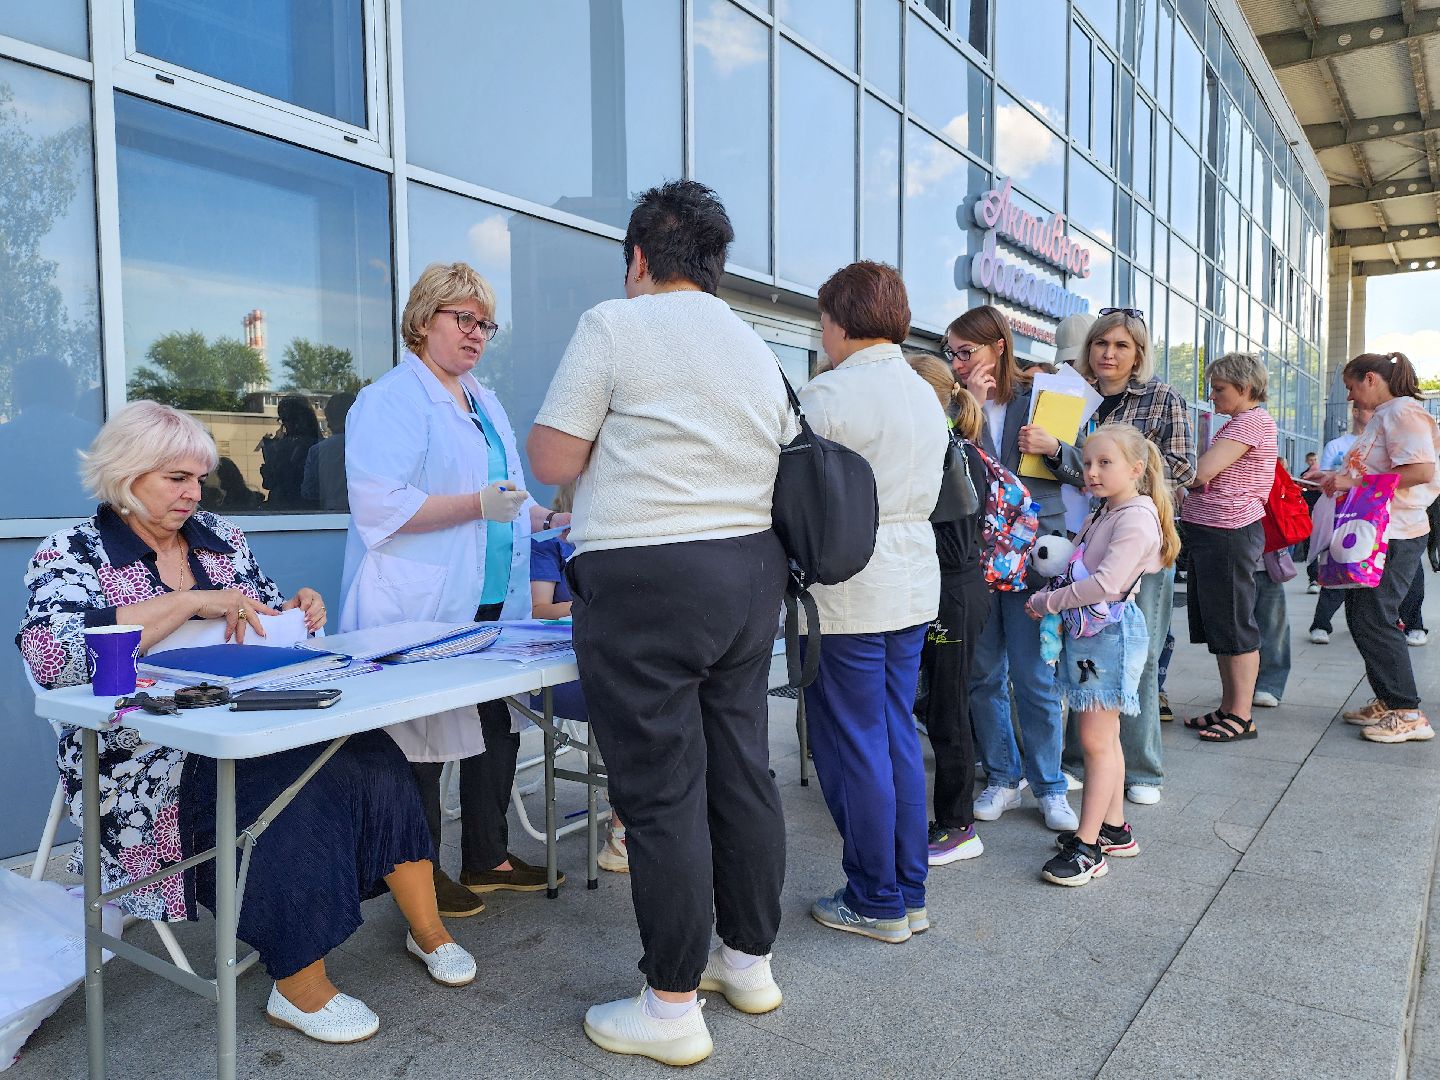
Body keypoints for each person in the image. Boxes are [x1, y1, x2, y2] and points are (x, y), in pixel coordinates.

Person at [16, 402, 474, 1045]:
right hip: (143, 751)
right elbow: (55, 657)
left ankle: (428, 929)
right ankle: (299, 983)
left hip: (249, 714)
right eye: (175, 478)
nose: (193, 493)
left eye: (198, 479)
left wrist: (295, 610)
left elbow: (257, 616)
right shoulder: (72, 551)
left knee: (370, 753)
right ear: (126, 474)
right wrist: (186, 602)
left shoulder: (220, 538)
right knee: (287, 793)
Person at [528, 180, 794, 1066]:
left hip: (647, 575)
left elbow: (553, 456)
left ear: (639, 257)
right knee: (741, 770)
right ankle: (746, 962)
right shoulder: (753, 345)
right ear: (714, 265)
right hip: (751, 574)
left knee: (661, 793)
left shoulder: (615, 323)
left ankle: (671, 1005)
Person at [340, 262, 571, 920]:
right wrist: (476, 503)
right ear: (422, 320)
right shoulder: (391, 399)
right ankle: (417, 873)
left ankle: (487, 855)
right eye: (462, 318)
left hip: (490, 604)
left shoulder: (483, 399)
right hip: (421, 608)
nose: (476, 334)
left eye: (484, 324)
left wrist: (551, 520)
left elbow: (506, 501)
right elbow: (380, 509)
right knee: (420, 746)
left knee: (495, 729)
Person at [799, 266, 946, 942]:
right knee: (892, 736)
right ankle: (907, 893)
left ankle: (875, 897)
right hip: (914, 580)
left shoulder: (828, 396)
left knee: (854, 743)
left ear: (839, 320)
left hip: (850, 587)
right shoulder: (924, 394)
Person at [1048, 308, 1196, 806]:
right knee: (1082, 648)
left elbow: (1179, 469)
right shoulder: (1073, 396)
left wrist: (1108, 474)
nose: (1108, 354)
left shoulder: (1161, 398)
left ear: (1138, 354)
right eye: (1100, 344)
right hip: (1082, 537)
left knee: (1140, 654)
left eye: (1121, 346)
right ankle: (1080, 760)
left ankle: (1143, 770)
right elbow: (1066, 467)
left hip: (1136, 542)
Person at [946, 305, 1079, 833]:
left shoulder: (1046, 397)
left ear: (998, 346)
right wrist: (970, 408)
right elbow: (945, 462)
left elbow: (1086, 468)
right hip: (975, 552)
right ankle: (1002, 775)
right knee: (982, 673)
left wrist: (1056, 449)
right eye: (950, 353)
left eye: (965, 352)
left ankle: (1049, 785)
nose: (956, 362)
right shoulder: (956, 405)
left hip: (1033, 552)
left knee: (1033, 676)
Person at [1027, 423, 1177, 886]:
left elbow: (1107, 584)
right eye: (1088, 462)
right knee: (1103, 737)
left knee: (1094, 740)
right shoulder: (1109, 508)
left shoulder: (1134, 516)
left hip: (1108, 636)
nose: (1091, 472)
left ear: (1136, 469)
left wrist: (1046, 602)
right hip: (1094, 633)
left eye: (1104, 463)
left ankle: (1089, 846)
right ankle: (1113, 829)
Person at [1322, 352, 1440, 743]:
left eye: (1352, 388)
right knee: (1362, 616)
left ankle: (1407, 710)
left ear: (1370, 378)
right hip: (1379, 532)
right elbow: (1375, 470)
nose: (1352, 398)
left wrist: (1351, 484)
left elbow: (1421, 471)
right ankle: (1391, 701)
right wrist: (1337, 477)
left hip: (1396, 533)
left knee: (1375, 618)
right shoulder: (1389, 415)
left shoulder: (1402, 413)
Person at [906, 355, 990, 865]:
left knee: (947, 707)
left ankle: (958, 825)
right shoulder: (944, 446)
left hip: (952, 595)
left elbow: (955, 545)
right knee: (934, 703)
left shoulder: (947, 451)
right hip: (947, 592)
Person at [526, 485, 627, 873]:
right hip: (564, 669)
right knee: (631, 700)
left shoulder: (613, 543)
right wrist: (592, 605)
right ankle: (623, 830)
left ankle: (640, 814)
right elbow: (540, 610)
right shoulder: (550, 547)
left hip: (601, 658)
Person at [1179, 353, 1279, 742]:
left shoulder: (1251, 422)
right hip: (1215, 532)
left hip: (1229, 532)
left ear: (1245, 388)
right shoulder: (1240, 423)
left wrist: (1189, 471)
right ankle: (1229, 707)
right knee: (1222, 623)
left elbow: (1200, 473)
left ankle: (1241, 715)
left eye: (1219, 389)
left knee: (1235, 623)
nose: (1212, 395)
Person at [1309, 402, 1375, 641]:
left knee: (1371, 573)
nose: (1374, 414)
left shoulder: (1380, 443)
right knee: (1338, 567)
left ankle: (1407, 623)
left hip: (1373, 516)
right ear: (1356, 412)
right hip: (1341, 515)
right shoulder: (1337, 446)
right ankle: (1321, 624)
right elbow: (1325, 481)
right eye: (1369, 409)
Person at [259, 395, 322, 509]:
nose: (285, 425)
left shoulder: (311, 446)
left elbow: (283, 480)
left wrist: (273, 453)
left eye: (285, 420)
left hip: (298, 507)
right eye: (282, 420)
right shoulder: (290, 445)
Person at [301, 391, 355, 511]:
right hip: (366, 519)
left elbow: (308, 493)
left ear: (330, 420)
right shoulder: (372, 448)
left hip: (329, 518)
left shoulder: (317, 451)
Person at [1253, 551, 1293, 708]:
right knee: (1235, 632)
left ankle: (1269, 685)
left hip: (1268, 563)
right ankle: (1237, 686)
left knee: (1274, 628)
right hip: (1234, 561)